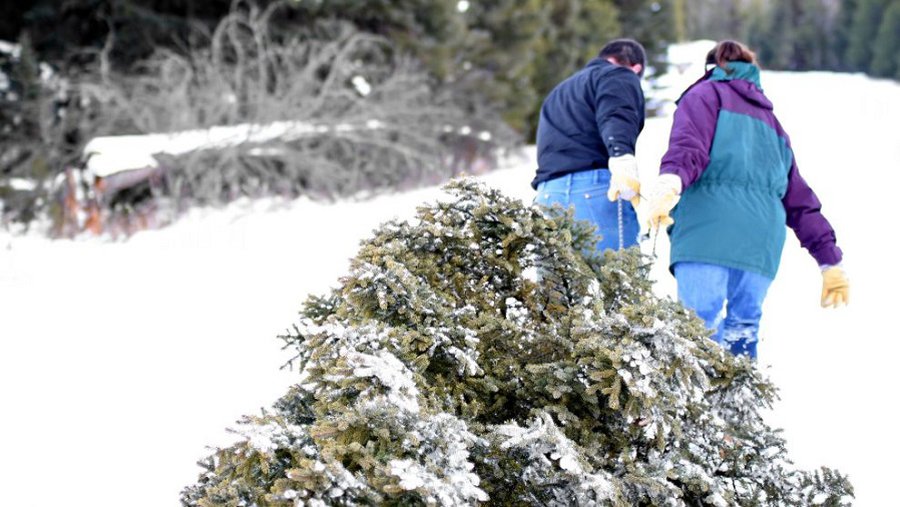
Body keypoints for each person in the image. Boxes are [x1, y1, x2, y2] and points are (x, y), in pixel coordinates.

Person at [644, 40, 850, 360]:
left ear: (713, 67)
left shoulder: (703, 95)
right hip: (761, 243)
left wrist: (669, 184)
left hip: (707, 232)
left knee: (695, 333)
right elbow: (800, 199)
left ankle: (691, 408)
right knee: (742, 330)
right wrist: (829, 261)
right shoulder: (774, 125)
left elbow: (689, 150)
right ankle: (733, 406)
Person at [532, 39, 647, 252]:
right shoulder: (619, 75)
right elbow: (617, 114)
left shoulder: (558, 92)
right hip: (594, 190)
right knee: (619, 280)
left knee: (557, 284)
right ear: (636, 68)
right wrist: (623, 157)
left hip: (548, 195)